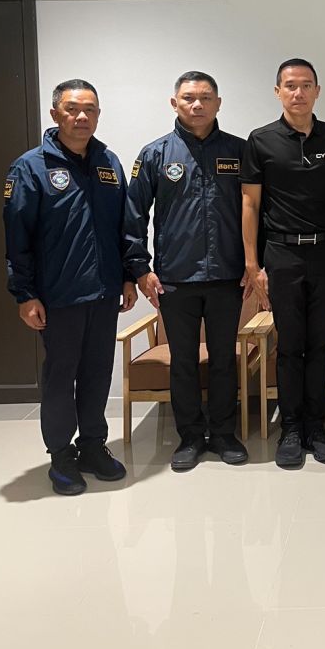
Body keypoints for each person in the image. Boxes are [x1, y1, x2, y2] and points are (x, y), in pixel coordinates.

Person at [3, 79, 136, 495]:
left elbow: (124, 226)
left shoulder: (108, 163)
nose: (82, 117)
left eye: (90, 110)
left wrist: (129, 275)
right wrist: (25, 294)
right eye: (73, 109)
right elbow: (17, 238)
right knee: (61, 376)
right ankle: (61, 455)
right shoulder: (30, 167)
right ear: (55, 113)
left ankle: (92, 445)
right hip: (59, 294)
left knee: (97, 372)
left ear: (98, 115)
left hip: (104, 291)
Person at [125, 71, 248, 472]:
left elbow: (258, 212)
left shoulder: (239, 151)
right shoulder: (155, 154)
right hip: (175, 279)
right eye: (189, 97)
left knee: (224, 359)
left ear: (218, 103)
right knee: (182, 360)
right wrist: (140, 269)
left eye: (205, 98)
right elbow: (133, 215)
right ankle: (191, 437)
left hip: (228, 276)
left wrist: (254, 263)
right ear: (174, 102)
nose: (197, 105)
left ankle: (224, 434)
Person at [241, 59, 325, 470]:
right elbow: (250, 203)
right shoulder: (260, 140)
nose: (298, 93)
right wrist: (252, 263)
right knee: (289, 345)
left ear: (317, 91)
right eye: (290, 85)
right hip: (282, 253)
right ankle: (291, 428)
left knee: (320, 343)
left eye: (306, 85)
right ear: (278, 92)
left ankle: (316, 427)